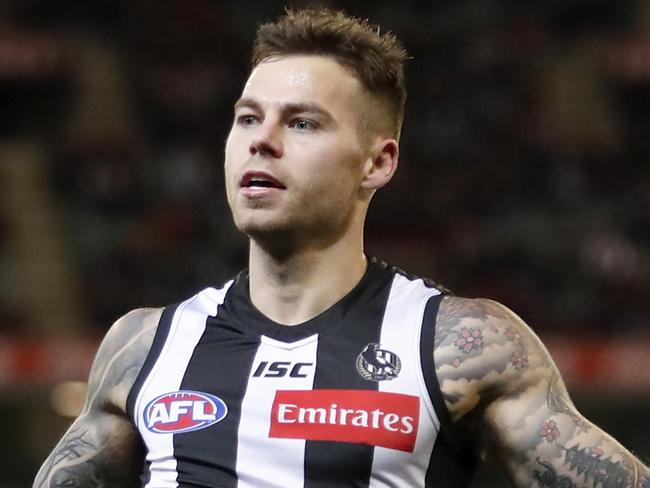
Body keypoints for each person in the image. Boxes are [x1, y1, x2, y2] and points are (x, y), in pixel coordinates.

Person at [34, 8, 649, 488]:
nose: (262, 142)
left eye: (301, 123)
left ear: (378, 162)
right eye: (248, 118)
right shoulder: (145, 346)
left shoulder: (460, 345)